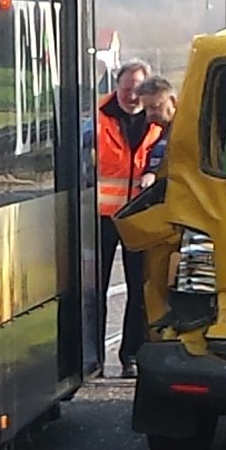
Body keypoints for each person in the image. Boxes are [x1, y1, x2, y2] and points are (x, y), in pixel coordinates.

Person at [97, 59, 163, 378]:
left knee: (139, 290)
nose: (131, 96)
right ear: (116, 86)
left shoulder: (158, 121)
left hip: (138, 217)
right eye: (125, 89)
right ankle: (91, 356)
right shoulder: (98, 116)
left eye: (137, 90)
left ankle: (131, 356)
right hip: (101, 218)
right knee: (93, 290)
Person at [136, 75, 178, 189]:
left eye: (155, 107)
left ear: (173, 101)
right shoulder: (157, 131)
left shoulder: (187, 130)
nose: (149, 115)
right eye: (146, 109)